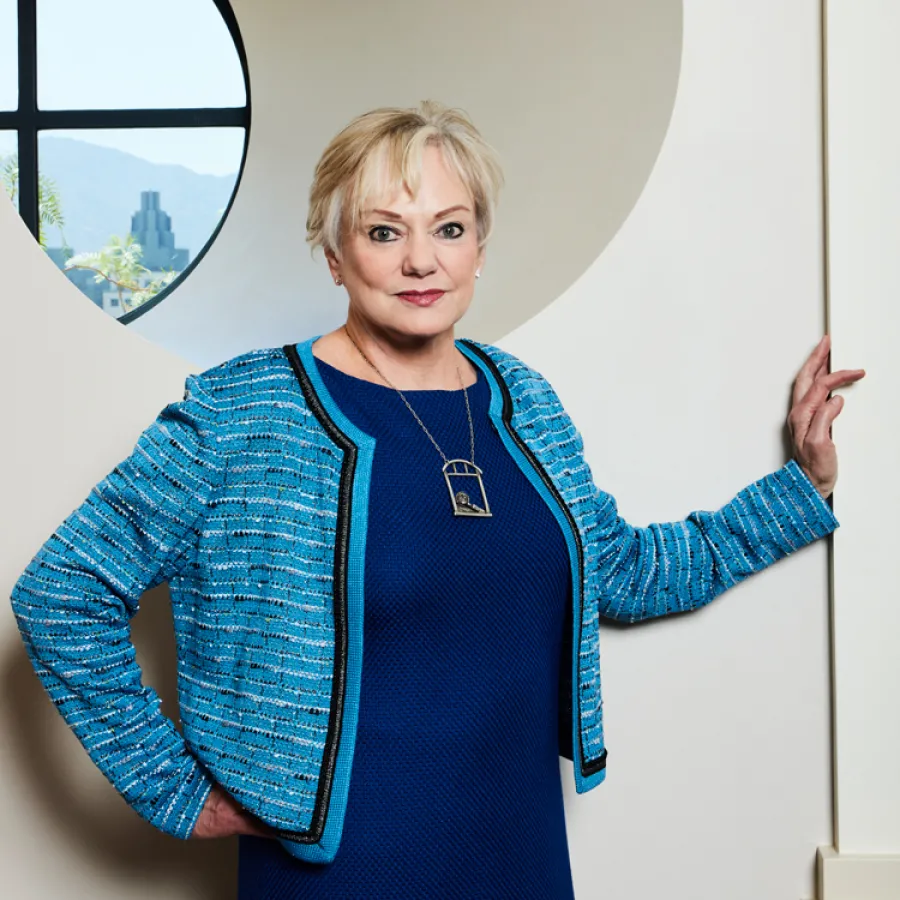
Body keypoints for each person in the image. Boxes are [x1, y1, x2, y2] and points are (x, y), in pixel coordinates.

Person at [10, 100, 865, 899]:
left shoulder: (521, 399)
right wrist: (173, 789)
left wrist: (802, 487)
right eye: (386, 231)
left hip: (519, 851)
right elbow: (63, 593)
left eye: (449, 229)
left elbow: (625, 573)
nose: (422, 260)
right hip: (341, 868)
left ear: (479, 249)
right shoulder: (243, 414)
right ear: (335, 252)